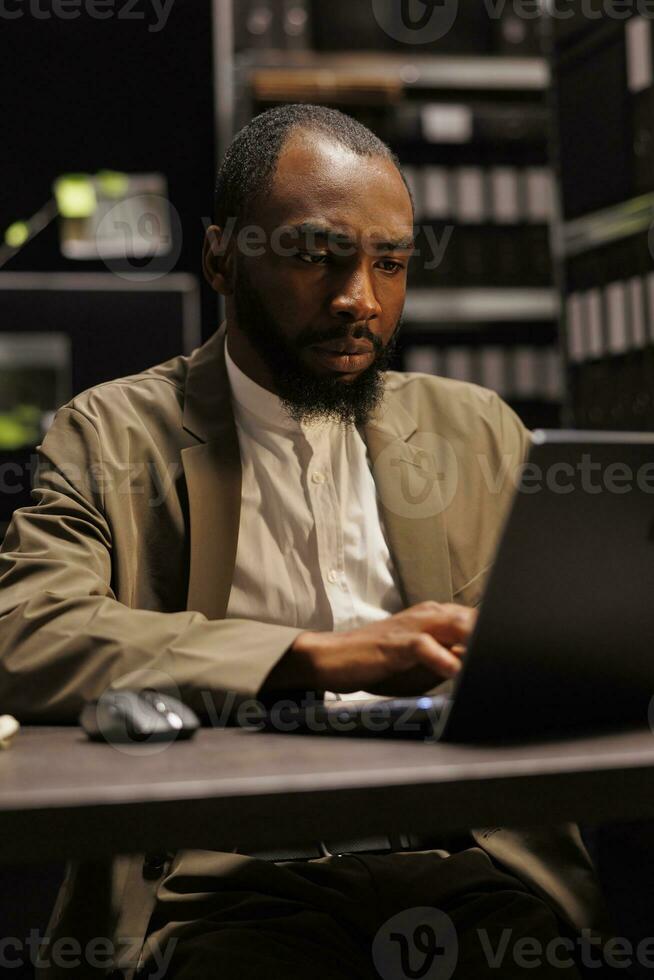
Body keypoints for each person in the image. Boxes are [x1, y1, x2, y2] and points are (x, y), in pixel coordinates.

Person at [0, 105, 608, 979]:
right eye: (315, 256)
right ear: (220, 257)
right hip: (224, 877)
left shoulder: (475, 432)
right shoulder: (112, 434)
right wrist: (313, 656)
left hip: (463, 864)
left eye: (390, 264)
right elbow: (27, 633)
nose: (359, 297)